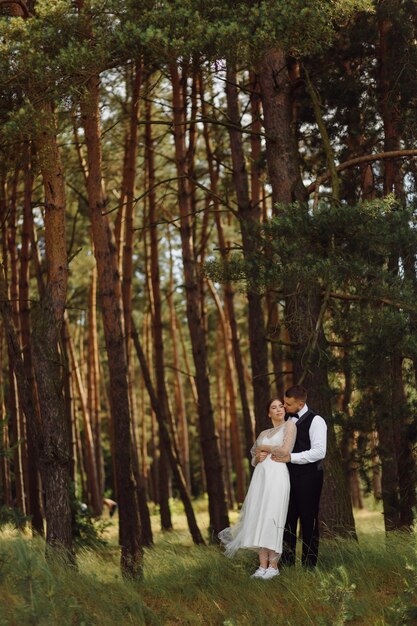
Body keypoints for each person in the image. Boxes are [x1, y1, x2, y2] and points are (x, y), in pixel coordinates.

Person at [218, 399, 297, 579]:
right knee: (260, 517)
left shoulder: (290, 426)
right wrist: (258, 456)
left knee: (273, 517)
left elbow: (285, 450)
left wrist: (264, 447)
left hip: (277, 475)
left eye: (280, 406)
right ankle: (262, 566)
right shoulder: (263, 432)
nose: (278, 409)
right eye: (273, 407)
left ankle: (273, 566)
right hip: (261, 478)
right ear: (268, 413)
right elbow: (254, 458)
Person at [271, 385, 327, 569]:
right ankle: (286, 564)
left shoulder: (316, 421)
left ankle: (309, 566)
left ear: (301, 403)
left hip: (309, 478)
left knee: (308, 520)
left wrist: (291, 458)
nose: (284, 407)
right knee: (287, 519)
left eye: (288, 404)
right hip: (287, 477)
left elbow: (319, 452)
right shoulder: (286, 419)